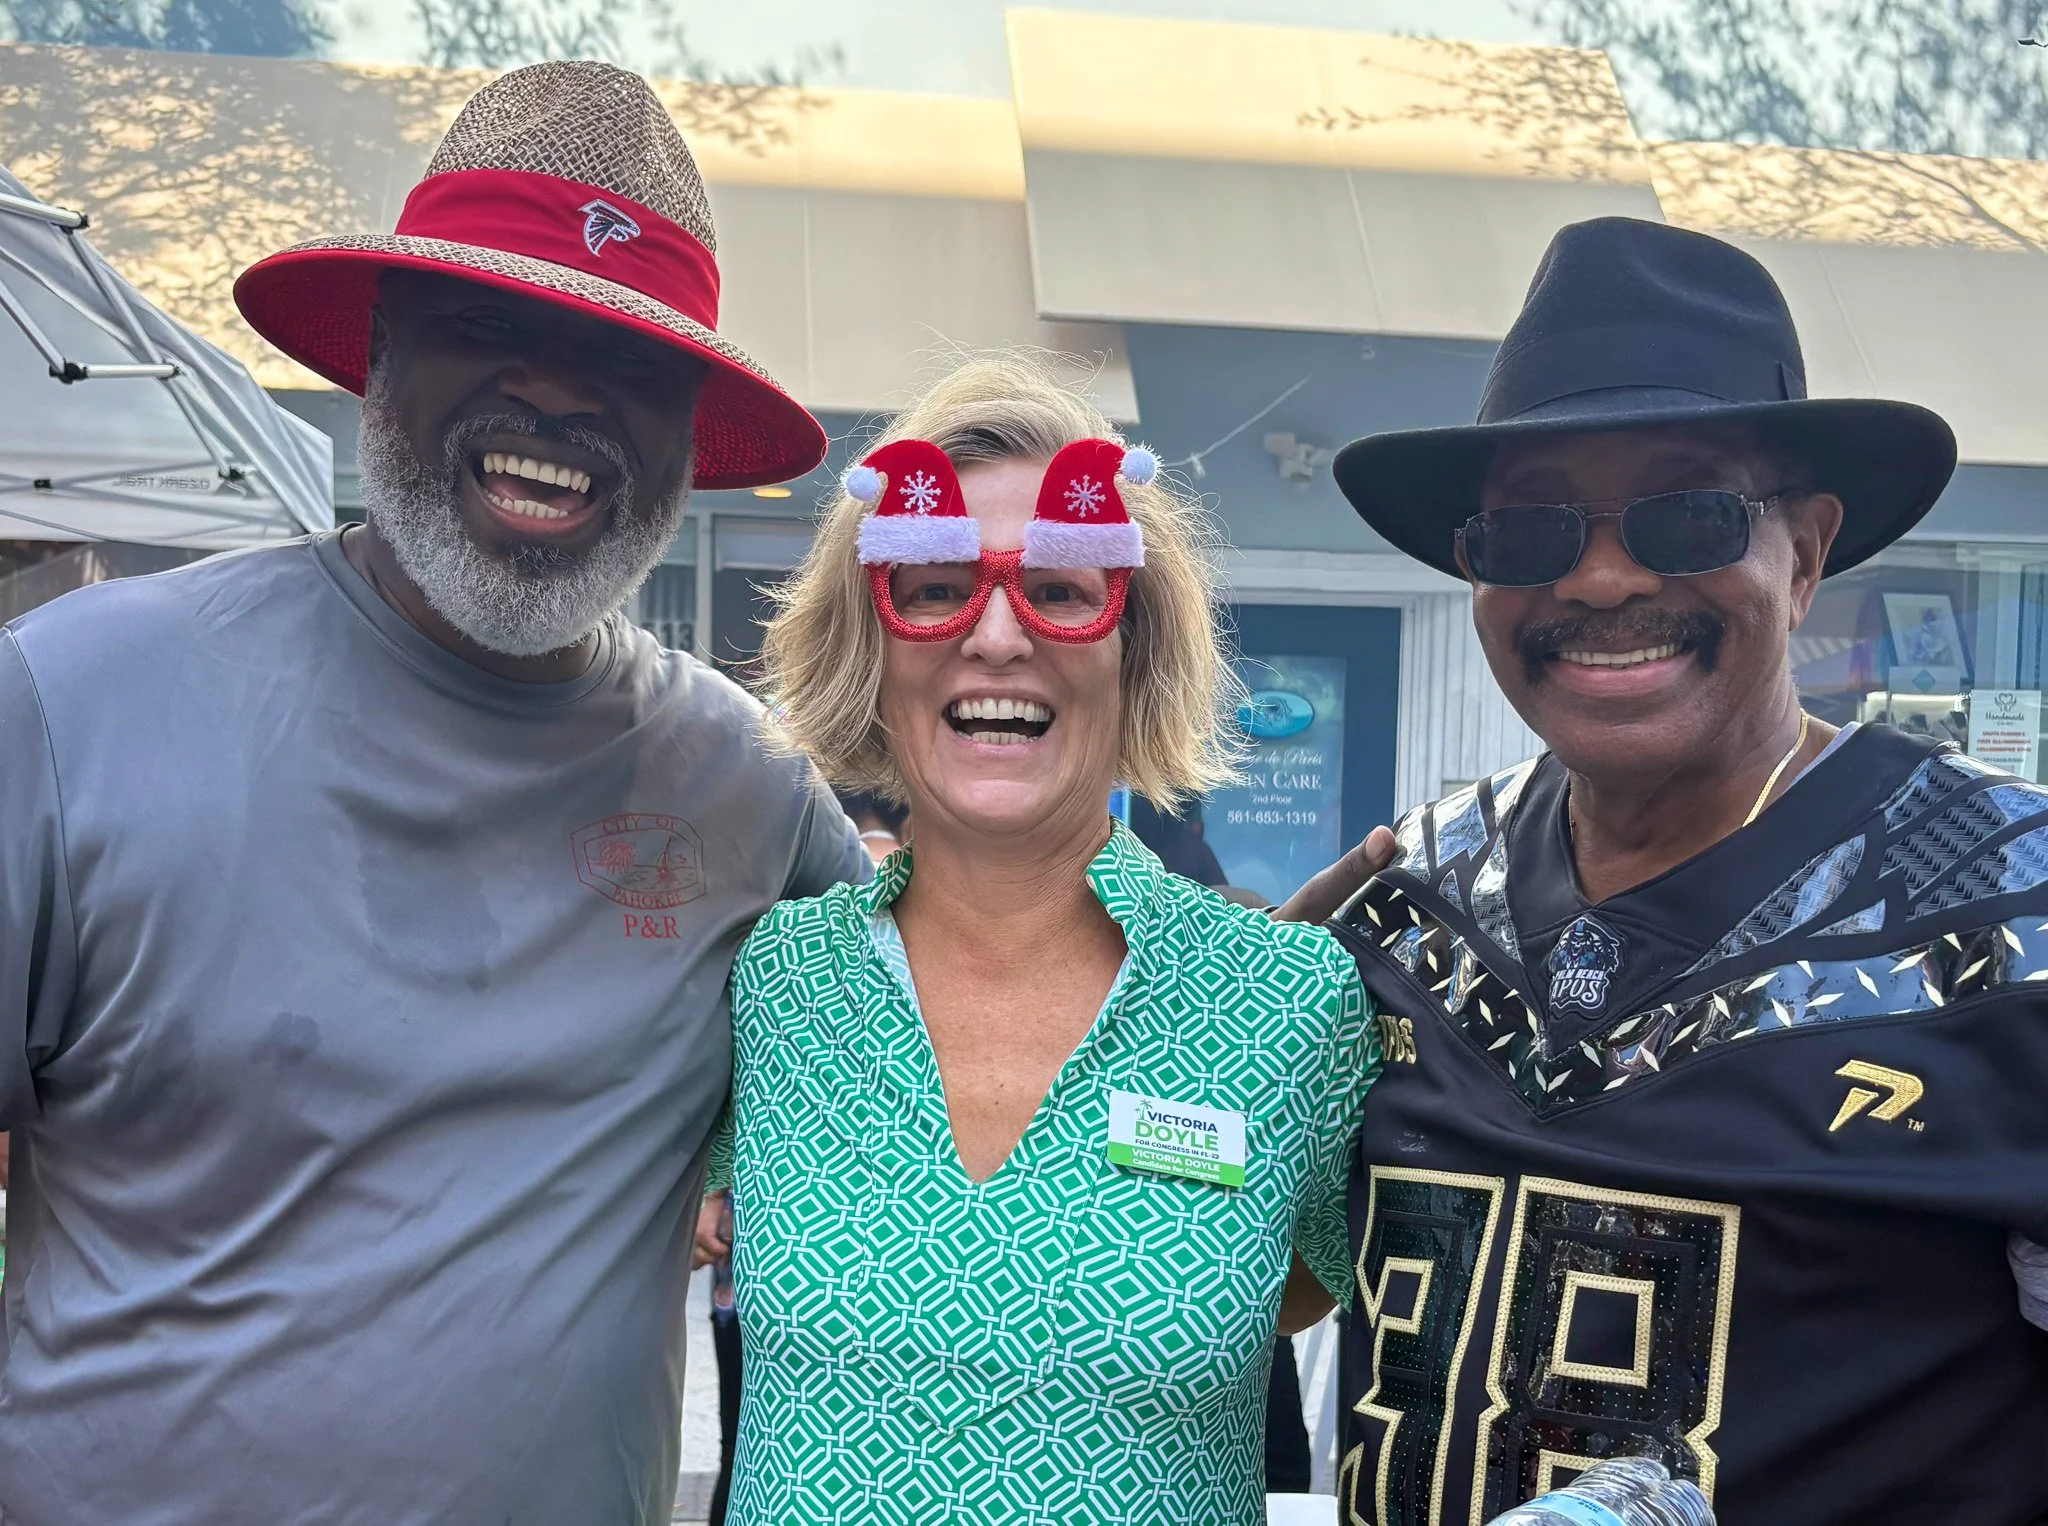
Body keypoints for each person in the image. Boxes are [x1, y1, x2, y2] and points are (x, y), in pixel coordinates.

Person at [0, 62, 866, 1525]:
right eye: (491, 324)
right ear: (382, 349)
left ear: (683, 436)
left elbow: (978, 1010)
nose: (556, 393)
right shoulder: (71, 697)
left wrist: (1229, 987)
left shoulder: (750, 788)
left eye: (631, 363)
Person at [1318, 216, 2048, 1522]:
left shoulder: (2021, 911)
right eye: (1530, 531)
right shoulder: (1404, 897)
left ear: (1807, 550)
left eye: (1688, 510)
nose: (1601, 576)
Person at [694, 357, 1382, 1524]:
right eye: (935, 587)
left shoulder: (1289, 1000)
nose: (999, 635)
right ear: (871, 647)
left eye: (1064, 591)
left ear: (1136, 653)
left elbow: (1304, 1287)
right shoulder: (771, 978)